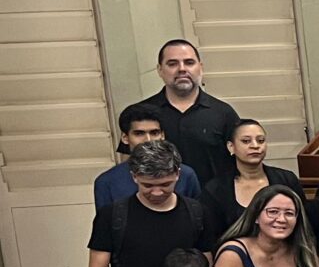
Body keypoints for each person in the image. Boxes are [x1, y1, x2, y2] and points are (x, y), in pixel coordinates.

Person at [128, 39, 238, 186]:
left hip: (211, 199)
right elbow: (127, 163)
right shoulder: (140, 114)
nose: (182, 69)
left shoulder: (223, 113)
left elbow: (241, 162)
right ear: (160, 70)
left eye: (189, 62)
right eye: (172, 64)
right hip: (156, 196)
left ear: (200, 67)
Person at [197, 118, 298, 246]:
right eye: (246, 141)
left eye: (261, 140)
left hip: (284, 252)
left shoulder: (287, 180)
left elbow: (303, 224)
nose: (255, 146)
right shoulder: (216, 189)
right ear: (231, 147)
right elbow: (210, 237)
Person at [95, 103, 202, 207]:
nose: (148, 140)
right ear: (125, 138)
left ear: (162, 135)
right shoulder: (107, 182)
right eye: (139, 133)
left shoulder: (186, 175)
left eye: (154, 133)